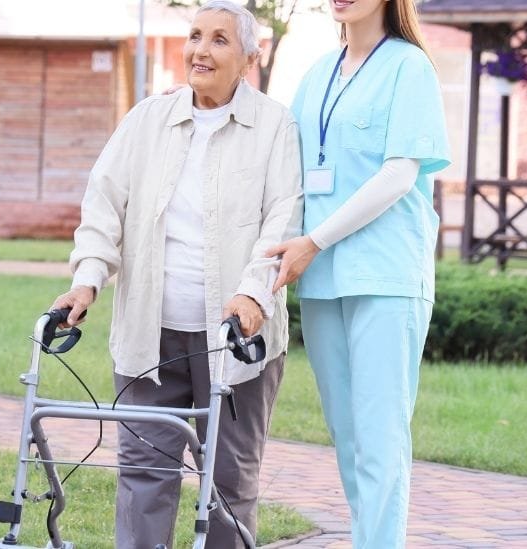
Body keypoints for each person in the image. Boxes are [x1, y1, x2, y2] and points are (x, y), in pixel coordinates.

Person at [48, 2, 302, 546]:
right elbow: (103, 208)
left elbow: (283, 218)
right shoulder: (146, 121)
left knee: (230, 482)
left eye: (218, 40)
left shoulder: (275, 126)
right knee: (143, 476)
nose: (200, 50)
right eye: (194, 36)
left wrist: (253, 294)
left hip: (236, 342)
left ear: (249, 58)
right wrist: (87, 279)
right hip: (151, 338)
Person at [264, 0, 451, 547]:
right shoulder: (318, 73)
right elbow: (290, 168)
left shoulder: (409, 67)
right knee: (348, 437)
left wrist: (315, 240)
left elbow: (399, 175)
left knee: (380, 437)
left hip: (385, 276)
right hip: (322, 278)